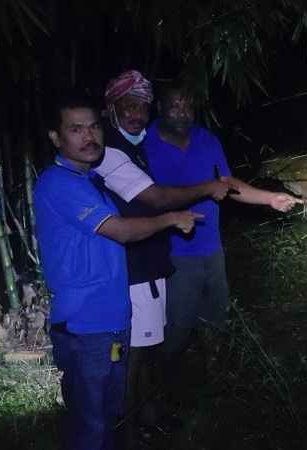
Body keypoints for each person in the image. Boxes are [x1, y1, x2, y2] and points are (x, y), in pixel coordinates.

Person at [34, 93, 202, 450]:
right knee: (90, 424)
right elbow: (121, 231)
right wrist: (171, 218)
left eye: (94, 126)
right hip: (85, 323)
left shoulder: (88, 179)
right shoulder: (59, 183)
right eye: (76, 129)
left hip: (111, 317)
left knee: (107, 416)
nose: (89, 136)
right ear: (55, 137)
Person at [92, 70, 230, 448]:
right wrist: (208, 188)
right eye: (129, 106)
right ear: (109, 109)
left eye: (143, 106)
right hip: (133, 266)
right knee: (134, 355)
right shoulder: (110, 152)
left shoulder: (133, 147)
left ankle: (150, 416)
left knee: (146, 348)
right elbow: (156, 198)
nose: (138, 114)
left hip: (150, 262)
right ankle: (126, 433)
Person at [143, 81, 302, 383]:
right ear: (160, 108)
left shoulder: (206, 139)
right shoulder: (144, 144)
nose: (182, 111)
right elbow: (153, 198)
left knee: (215, 321)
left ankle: (216, 378)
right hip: (173, 255)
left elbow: (227, 183)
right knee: (175, 328)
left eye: (188, 105)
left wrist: (269, 198)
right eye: (175, 105)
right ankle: (169, 388)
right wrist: (207, 188)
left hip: (212, 250)